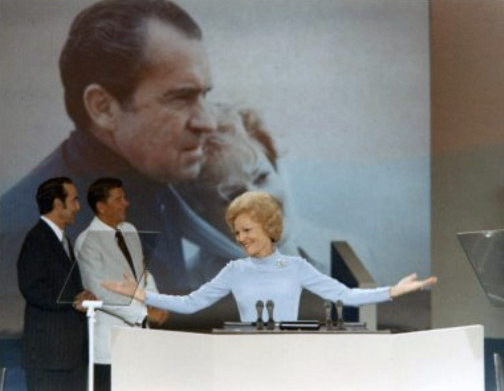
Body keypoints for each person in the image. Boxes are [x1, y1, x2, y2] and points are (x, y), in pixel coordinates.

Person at [0, 0, 242, 333]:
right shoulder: (24, 233)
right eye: (181, 97)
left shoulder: (157, 184)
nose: (208, 122)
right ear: (103, 108)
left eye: (204, 96)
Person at [102, 191, 437, 322]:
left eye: (247, 230)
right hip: (246, 360)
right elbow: (191, 303)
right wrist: (140, 295)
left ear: (268, 225)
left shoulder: (295, 267)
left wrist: (392, 291)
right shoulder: (235, 270)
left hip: (288, 359)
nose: (240, 239)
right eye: (236, 232)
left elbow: (345, 294)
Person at [75, 177, 168, 391]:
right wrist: (143, 313)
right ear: (101, 206)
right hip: (110, 344)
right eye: (119, 199)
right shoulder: (87, 240)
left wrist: (154, 300)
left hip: (139, 341)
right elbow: (99, 293)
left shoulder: (130, 230)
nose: (126, 203)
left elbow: (142, 274)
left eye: (124, 197)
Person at [17, 177, 95, 391]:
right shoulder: (37, 239)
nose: (78, 207)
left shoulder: (62, 239)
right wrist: (73, 301)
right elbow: (32, 289)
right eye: (74, 200)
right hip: (49, 358)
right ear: (58, 204)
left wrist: (82, 295)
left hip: (69, 355)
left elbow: (63, 286)